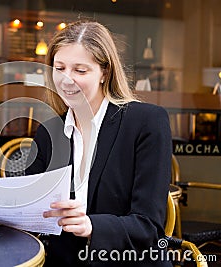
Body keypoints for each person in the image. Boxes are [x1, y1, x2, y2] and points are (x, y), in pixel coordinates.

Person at [25, 20, 172, 266]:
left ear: (105, 72)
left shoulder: (146, 122)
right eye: (59, 68)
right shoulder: (48, 132)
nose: (66, 80)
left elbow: (148, 227)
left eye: (80, 71)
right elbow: (32, 213)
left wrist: (91, 225)